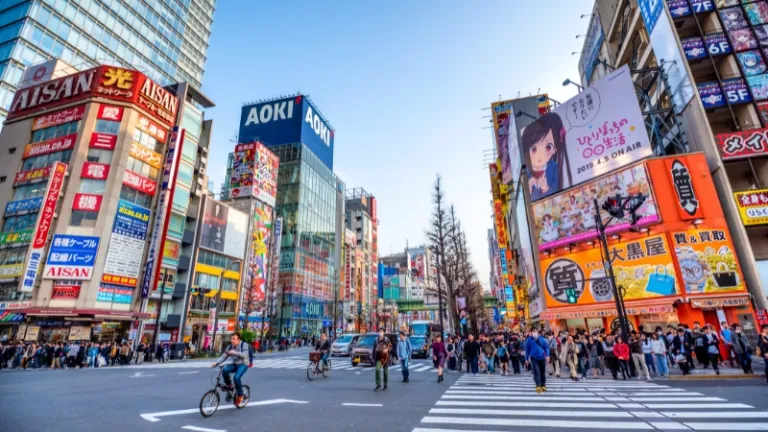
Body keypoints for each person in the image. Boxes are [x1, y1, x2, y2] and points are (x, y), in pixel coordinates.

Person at [211, 333, 249, 406]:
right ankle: (229, 386)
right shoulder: (230, 347)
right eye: (231, 339)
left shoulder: (244, 345)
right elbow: (224, 356)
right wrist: (216, 363)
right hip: (235, 364)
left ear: (238, 340)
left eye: (234, 339)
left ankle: (240, 395)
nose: (232, 340)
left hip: (243, 364)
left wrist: (235, 352)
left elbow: (245, 355)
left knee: (236, 377)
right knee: (224, 370)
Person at [524, 328, 549, 393]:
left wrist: (547, 356)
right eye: (533, 331)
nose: (534, 332)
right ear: (531, 333)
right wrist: (526, 359)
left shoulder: (542, 339)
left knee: (542, 372)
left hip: (542, 357)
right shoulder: (529, 340)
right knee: (536, 372)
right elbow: (527, 350)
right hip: (533, 358)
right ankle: (538, 385)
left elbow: (546, 347)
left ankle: (543, 385)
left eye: (535, 331)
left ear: (537, 332)